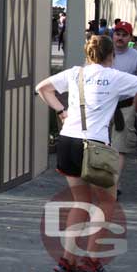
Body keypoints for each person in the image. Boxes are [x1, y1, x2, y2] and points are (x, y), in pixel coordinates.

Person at [36, 35, 137, 272]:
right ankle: (91, 261)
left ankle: (67, 261)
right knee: (106, 202)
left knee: (80, 202)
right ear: (111, 55)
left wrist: (61, 111)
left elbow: (43, 88)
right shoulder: (115, 77)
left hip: (68, 142)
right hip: (95, 147)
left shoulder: (75, 73)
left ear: (89, 54)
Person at [109, 21, 137, 197]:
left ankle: (114, 186)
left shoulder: (135, 56)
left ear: (130, 37)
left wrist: (134, 109)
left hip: (125, 107)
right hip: (103, 107)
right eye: (117, 33)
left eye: (124, 34)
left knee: (119, 148)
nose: (120, 37)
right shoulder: (104, 52)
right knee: (101, 146)